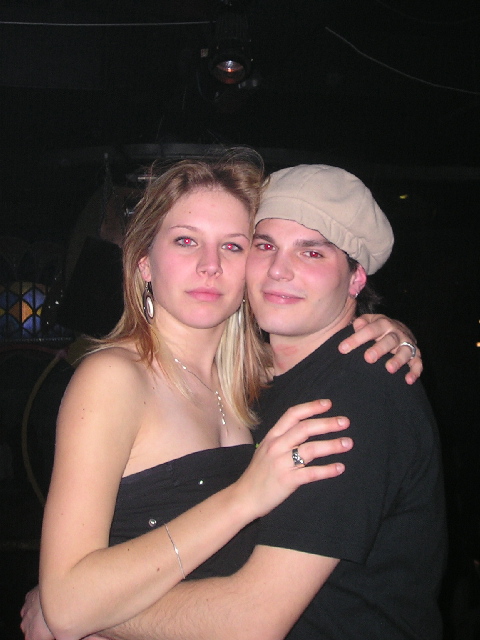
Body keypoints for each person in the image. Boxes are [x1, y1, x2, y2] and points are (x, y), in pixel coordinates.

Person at [20, 154, 423, 640]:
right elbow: (70, 601)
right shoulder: (113, 378)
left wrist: (388, 329)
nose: (209, 266)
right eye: (186, 240)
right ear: (144, 261)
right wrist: (243, 498)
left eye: (232, 246)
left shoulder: (255, 384)